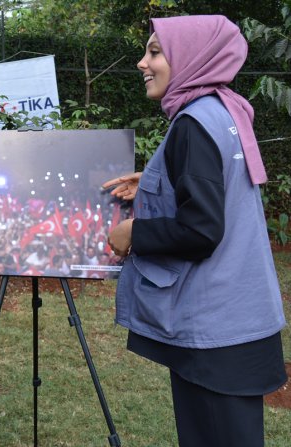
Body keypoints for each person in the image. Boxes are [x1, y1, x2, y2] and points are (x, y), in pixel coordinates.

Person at [103, 15, 286, 447]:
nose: (141, 63)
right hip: (242, 316)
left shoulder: (192, 123)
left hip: (214, 330)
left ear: (192, 56)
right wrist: (150, 182)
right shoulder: (226, 110)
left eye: (154, 51)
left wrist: (134, 233)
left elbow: (202, 229)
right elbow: (215, 188)